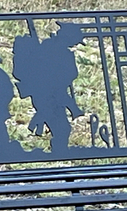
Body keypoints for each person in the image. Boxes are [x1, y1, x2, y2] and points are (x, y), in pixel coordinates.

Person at [12, 22, 84, 151]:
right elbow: (69, 73)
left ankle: (57, 148)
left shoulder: (50, 47)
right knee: (62, 128)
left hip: (50, 92)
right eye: (75, 41)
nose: (75, 45)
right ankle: (59, 151)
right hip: (48, 93)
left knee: (60, 126)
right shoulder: (58, 51)